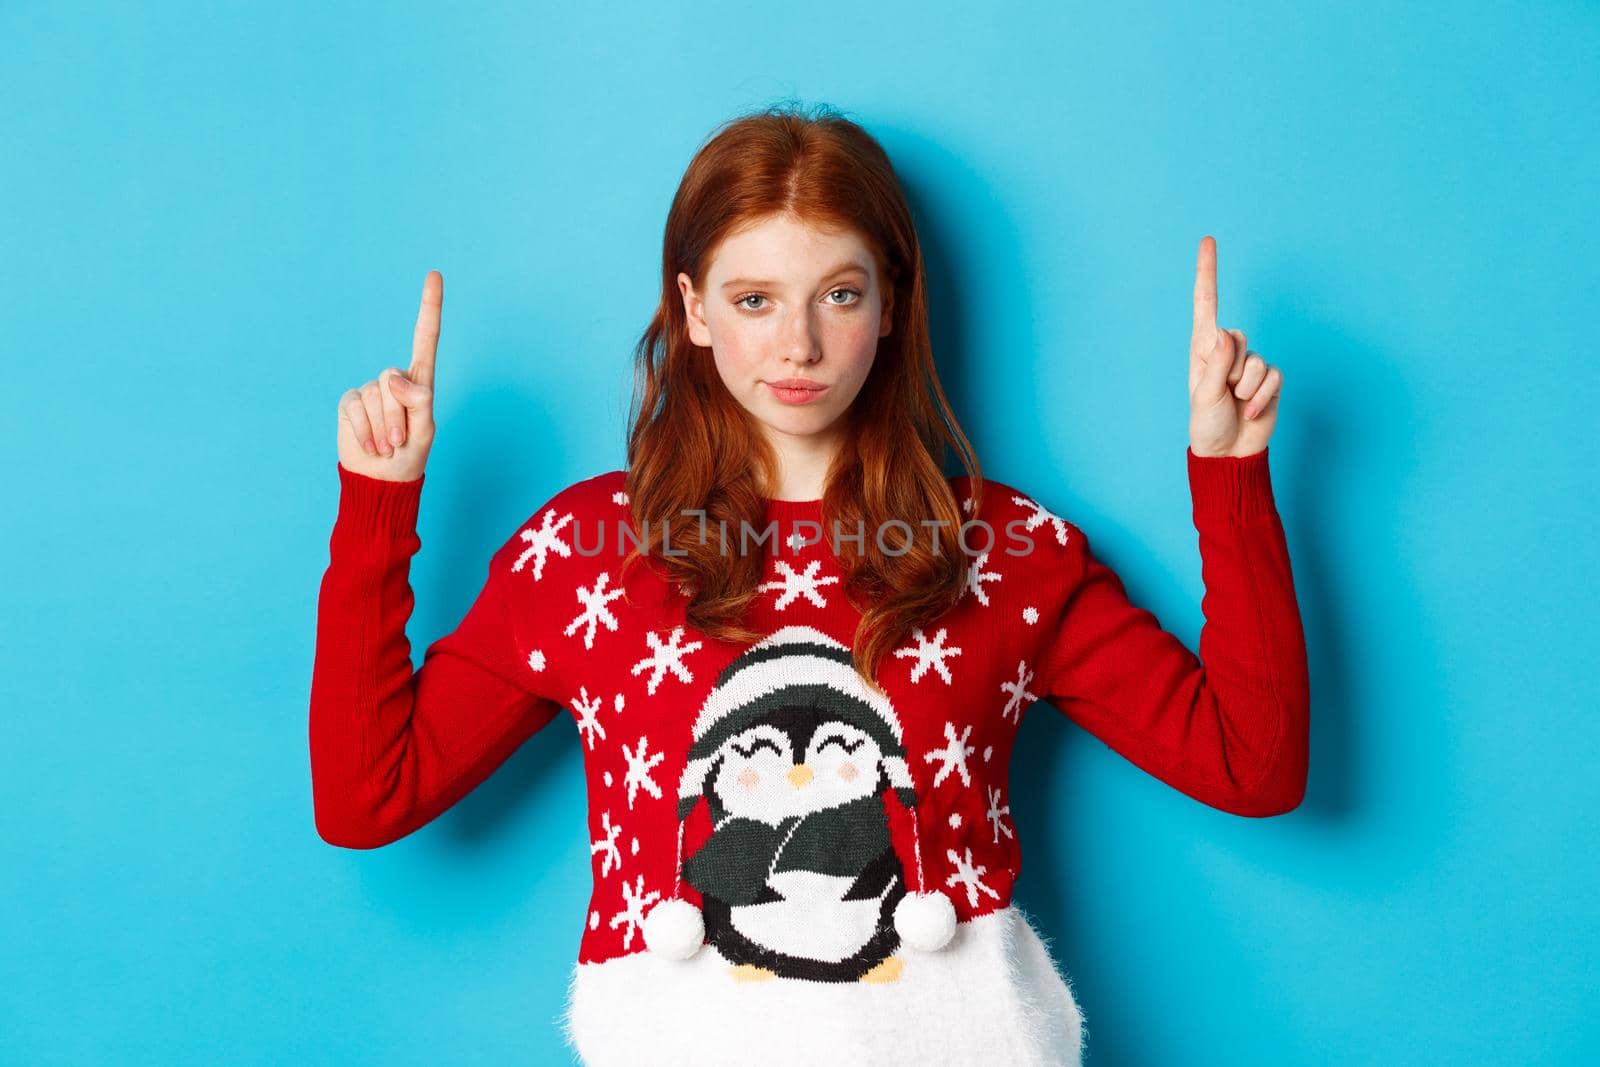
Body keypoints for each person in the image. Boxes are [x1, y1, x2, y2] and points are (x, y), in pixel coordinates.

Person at [309, 104, 1309, 1066]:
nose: (798, 345)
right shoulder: (587, 550)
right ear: (693, 309)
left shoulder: (1002, 548)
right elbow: (367, 796)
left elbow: (1250, 766)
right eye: (754, 300)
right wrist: (378, 504)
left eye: (838, 293)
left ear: (890, 306)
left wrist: (1229, 477)